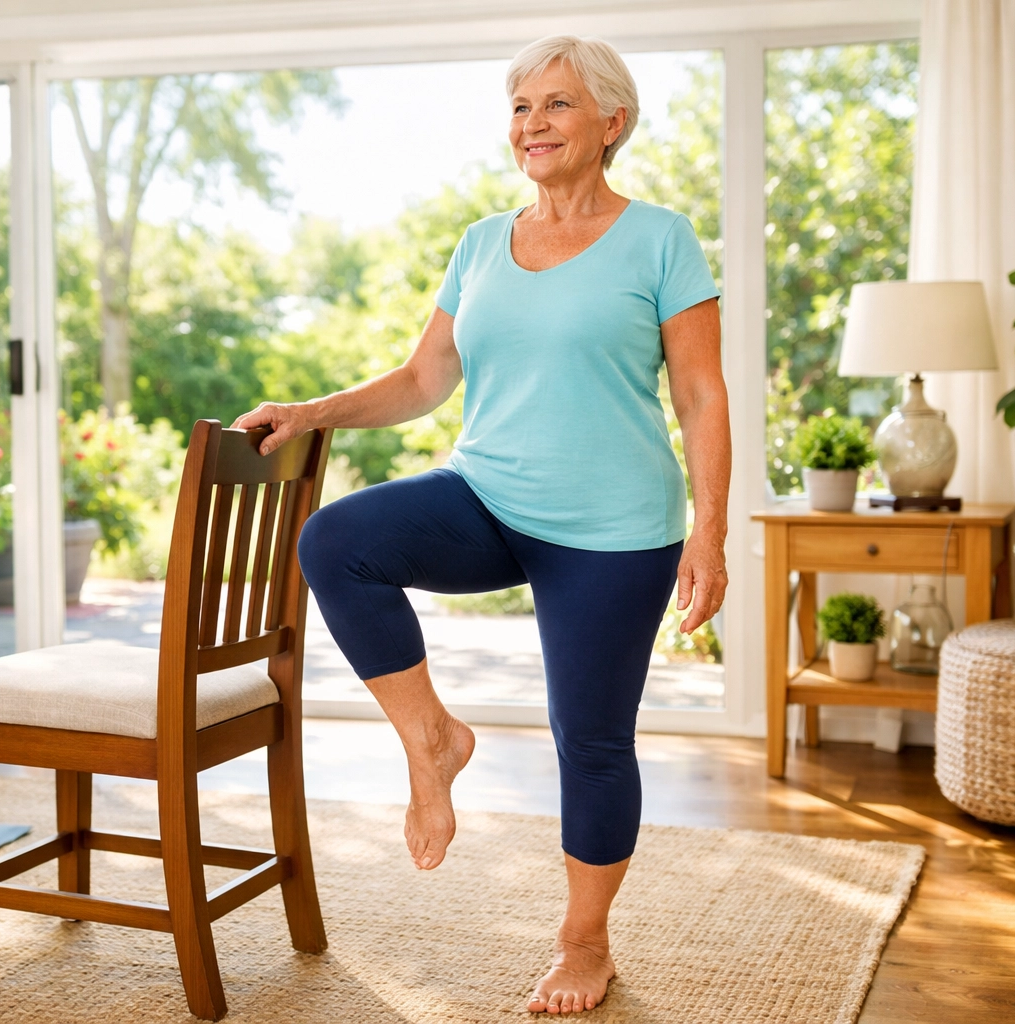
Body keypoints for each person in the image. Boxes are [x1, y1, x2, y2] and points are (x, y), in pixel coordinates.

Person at [232, 33, 731, 1016]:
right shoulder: (479, 244)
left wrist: (707, 532)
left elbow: (702, 395)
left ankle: (584, 944)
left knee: (589, 740)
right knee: (339, 541)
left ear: (611, 123)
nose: (530, 125)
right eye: (518, 107)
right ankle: (432, 741)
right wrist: (312, 411)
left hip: (614, 529)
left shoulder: (660, 237)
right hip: (489, 496)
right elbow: (425, 380)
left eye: (554, 105)